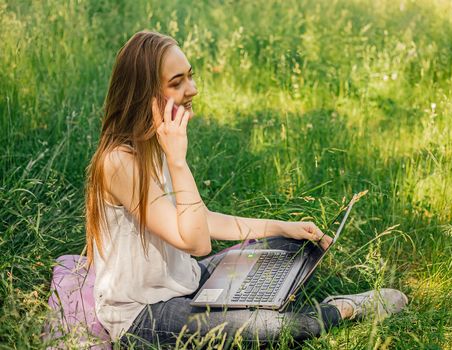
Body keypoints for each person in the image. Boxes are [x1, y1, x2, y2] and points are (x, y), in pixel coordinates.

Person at [84, 30, 408, 348]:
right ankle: (342, 309)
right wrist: (178, 161)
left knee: (285, 246)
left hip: (184, 280)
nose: (193, 89)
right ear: (145, 94)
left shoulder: (157, 143)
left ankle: (257, 291)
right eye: (177, 82)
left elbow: (201, 219)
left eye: (190, 76)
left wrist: (281, 227)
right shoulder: (119, 163)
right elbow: (197, 243)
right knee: (272, 328)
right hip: (144, 314)